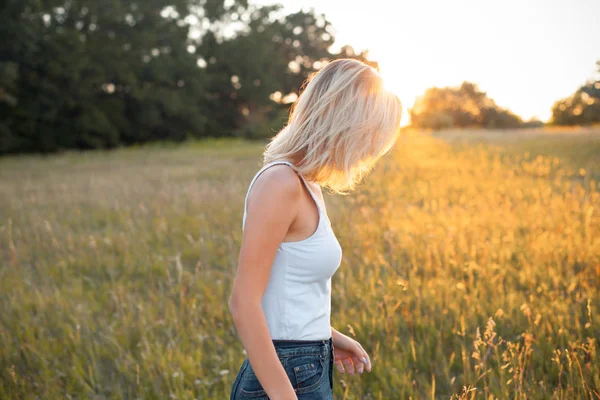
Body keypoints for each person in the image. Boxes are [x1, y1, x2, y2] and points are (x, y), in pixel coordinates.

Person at [228, 58, 402, 399]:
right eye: (371, 135)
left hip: (308, 363)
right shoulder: (281, 182)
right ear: (346, 123)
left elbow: (286, 290)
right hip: (284, 375)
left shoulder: (306, 185)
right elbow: (243, 302)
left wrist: (328, 337)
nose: (370, 151)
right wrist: (283, 395)